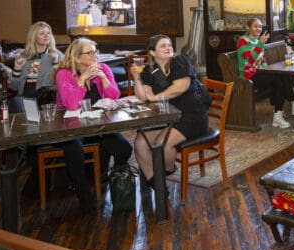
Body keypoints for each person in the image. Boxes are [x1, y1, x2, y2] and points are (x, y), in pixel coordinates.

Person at [53, 38, 133, 211]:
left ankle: (106, 178)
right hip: (71, 126)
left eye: (95, 51)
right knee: (74, 151)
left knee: (124, 148)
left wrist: (103, 77)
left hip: (97, 124)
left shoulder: (103, 68)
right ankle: (84, 196)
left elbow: (114, 96)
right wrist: (82, 79)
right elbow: (71, 104)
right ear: (76, 56)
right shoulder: (63, 74)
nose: (95, 55)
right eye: (90, 52)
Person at [132, 34, 209, 189]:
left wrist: (156, 97)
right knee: (140, 142)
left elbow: (180, 87)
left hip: (192, 116)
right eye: (163, 45)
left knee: (162, 143)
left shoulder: (180, 61)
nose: (168, 47)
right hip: (167, 117)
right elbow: (143, 96)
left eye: (169, 45)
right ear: (152, 52)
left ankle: (167, 170)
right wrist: (137, 78)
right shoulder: (149, 70)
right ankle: (157, 185)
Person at [237, 18, 291, 128]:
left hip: (259, 73)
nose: (258, 29)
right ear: (248, 28)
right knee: (278, 79)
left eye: (260, 26)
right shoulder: (243, 41)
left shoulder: (257, 41)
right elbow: (251, 59)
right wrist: (261, 43)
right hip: (248, 77)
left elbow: (263, 61)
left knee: (282, 76)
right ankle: (283, 110)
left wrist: (268, 70)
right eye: (255, 26)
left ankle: (279, 112)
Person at [9, 21, 62, 111]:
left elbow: (60, 83)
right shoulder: (24, 56)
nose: (46, 36)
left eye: (48, 33)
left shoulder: (57, 55)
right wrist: (17, 68)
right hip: (24, 99)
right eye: (42, 33)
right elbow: (14, 87)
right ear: (34, 37)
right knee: (15, 102)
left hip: (44, 100)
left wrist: (56, 64)